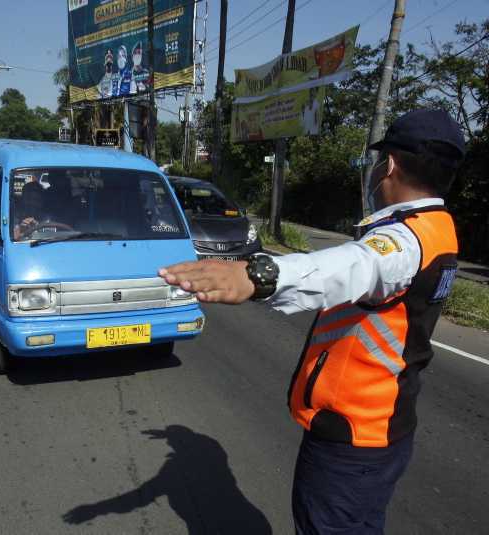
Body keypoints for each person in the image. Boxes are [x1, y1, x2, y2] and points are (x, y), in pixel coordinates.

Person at [159, 109, 465, 534]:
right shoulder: (439, 227)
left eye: (378, 162)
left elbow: (352, 266)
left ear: (388, 165)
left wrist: (257, 275)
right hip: (383, 425)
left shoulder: (402, 239)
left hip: (353, 433)